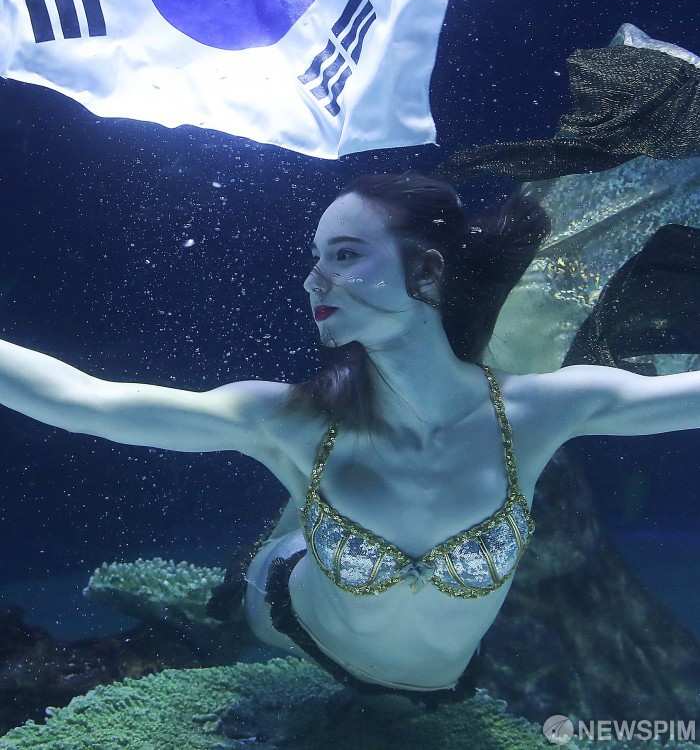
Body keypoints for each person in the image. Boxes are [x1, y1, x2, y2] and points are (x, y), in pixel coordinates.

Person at [1, 172, 699, 704]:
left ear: (426, 270)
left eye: (343, 255)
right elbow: (85, 403)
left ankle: (311, 508)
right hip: (292, 614)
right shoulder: (289, 417)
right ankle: (292, 529)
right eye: (315, 258)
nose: (314, 281)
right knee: (290, 515)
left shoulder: (541, 410)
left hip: (439, 682)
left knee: (332, 482)